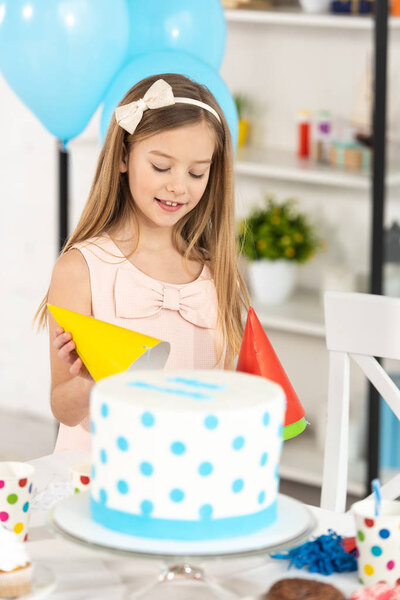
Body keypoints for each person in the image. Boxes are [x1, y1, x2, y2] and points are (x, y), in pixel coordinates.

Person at [36, 73, 249, 452]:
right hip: (98, 480)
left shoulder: (219, 277)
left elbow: (228, 397)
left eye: (197, 172)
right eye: (161, 167)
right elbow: (63, 408)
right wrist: (92, 381)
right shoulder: (81, 270)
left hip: (187, 480)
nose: (179, 186)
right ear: (122, 156)